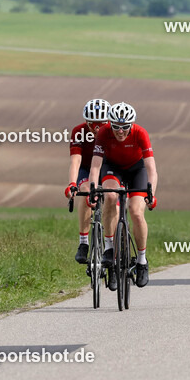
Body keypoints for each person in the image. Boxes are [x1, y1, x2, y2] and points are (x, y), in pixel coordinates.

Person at [87, 101, 158, 289]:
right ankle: (110, 248)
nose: (120, 131)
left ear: (131, 125)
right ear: (110, 124)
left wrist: (152, 193)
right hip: (113, 168)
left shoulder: (140, 133)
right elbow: (95, 166)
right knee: (110, 196)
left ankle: (142, 261)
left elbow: (151, 168)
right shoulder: (103, 133)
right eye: (116, 127)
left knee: (135, 212)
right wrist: (93, 189)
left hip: (137, 170)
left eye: (125, 127)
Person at [65, 98, 110, 264]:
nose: (97, 128)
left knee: (113, 199)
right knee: (84, 191)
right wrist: (72, 184)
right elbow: (75, 161)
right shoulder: (79, 132)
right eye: (93, 124)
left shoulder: (113, 132)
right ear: (86, 122)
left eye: (102, 124)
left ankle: (112, 245)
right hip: (86, 167)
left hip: (106, 168)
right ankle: (83, 243)